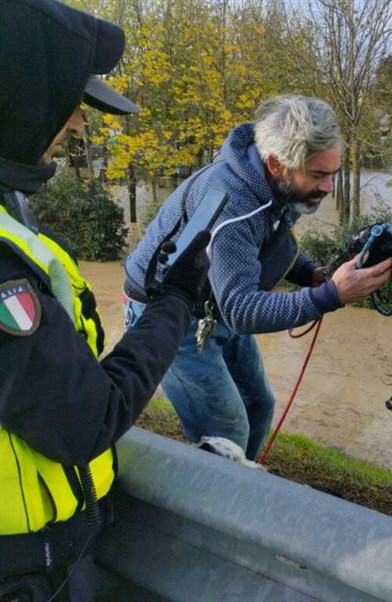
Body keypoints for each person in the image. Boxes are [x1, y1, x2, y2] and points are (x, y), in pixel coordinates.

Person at [0, 1, 211, 599]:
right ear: (18, 98)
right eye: (69, 104)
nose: (78, 126)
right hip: (25, 572)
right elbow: (88, 417)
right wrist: (177, 299)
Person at [123, 95, 392, 461]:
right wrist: (331, 295)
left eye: (333, 173)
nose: (329, 187)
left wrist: (312, 274)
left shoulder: (274, 184)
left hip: (213, 303)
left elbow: (271, 241)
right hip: (168, 315)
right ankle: (219, 493)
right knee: (226, 431)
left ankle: (240, 483)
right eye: (318, 175)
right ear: (276, 164)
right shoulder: (232, 204)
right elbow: (242, 311)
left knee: (258, 404)